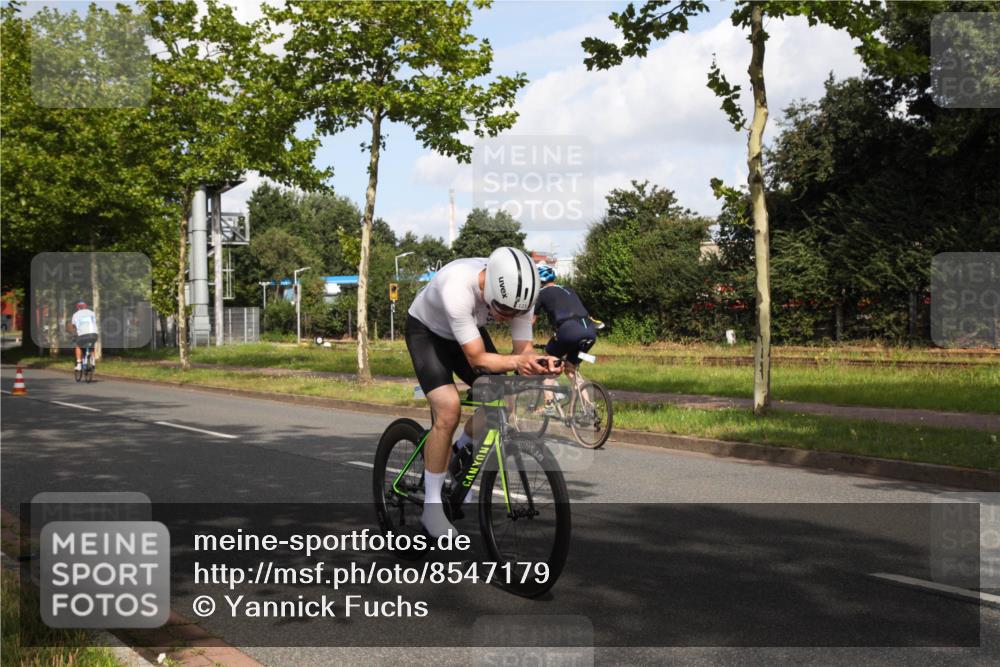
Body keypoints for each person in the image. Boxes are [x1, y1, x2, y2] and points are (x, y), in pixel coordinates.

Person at [405, 247, 559, 538]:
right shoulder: (457, 286)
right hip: (428, 333)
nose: (507, 317)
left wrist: (540, 365)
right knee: (449, 410)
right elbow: (476, 358)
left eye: (515, 313)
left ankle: (460, 454)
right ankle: (432, 507)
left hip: (466, 331)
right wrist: (518, 362)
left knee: (502, 395)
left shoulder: (520, 295)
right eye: (502, 310)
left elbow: (522, 351)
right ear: (487, 284)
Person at [69, 301, 99, 371]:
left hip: (82, 335)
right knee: (92, 345)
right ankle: (93, 361)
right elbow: (94, 321)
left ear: (78, 308)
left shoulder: (75, 314)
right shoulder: (92, 312)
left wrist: (74, 333)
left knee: (78, 346)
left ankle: (79, 364)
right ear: (86, 306)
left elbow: (73, 326)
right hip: (93, 333)